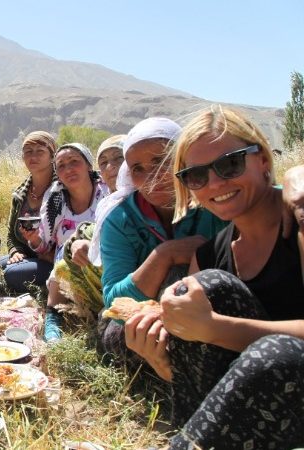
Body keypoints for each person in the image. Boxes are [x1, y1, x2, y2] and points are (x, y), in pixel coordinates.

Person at [127, 106, 304, 449]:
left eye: (230, 163)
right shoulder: (209, 255)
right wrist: (163, 356)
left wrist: (213, 328)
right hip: (261, 416)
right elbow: (201, 380)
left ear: (263, 160)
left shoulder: (300, 221)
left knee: (278, 351)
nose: (215, 183)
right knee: (204, 288)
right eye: (196, 176)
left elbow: (277, 355)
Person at [89, 118, 227, 358]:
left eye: (161, 161)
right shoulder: (120, 220)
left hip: (212, 313)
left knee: (182, 279)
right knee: (117, 335)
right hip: (145, 316)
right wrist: (165, 254)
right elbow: (114, 300)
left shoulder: (214, 202)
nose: (153, 176)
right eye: (138, 169)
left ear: (183, 159)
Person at [20, 143, 109, 341]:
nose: (68, 169)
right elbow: (44, 243)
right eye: (61, 165)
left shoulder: (106, 192)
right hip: (64, 265)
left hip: (102, 260)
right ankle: (53, 319)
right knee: (57, 265)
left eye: (74, 162)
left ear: (88, 165)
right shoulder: (55, 197)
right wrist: (34, 239)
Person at [51, 134, 126, 315]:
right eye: (104, 162)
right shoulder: (108, 204)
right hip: (85, 263)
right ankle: (52, 314)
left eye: (119, 158)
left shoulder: (148, 197)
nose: (111, 167)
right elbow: (43, 241)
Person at [0, 131, 57, 293]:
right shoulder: (20, 194)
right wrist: (15, 251)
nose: (33, 156)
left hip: (54, 260)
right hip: (29, 257)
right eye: (28, 152)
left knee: (11, 274)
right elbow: (11, 234)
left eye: (40, 151)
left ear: (52, 156)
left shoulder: (60, 192)